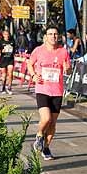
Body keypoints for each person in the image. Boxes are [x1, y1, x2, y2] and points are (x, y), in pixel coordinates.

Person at [27, 25, 71, 160]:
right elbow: (29, 63)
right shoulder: (38, 50)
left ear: (58, 37)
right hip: (42, 88)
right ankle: (39, 134)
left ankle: (46, 148)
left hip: (57, 91)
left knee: (52, 123)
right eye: (50, 34)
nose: (53, 36)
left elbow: (68, 70)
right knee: (46, 118)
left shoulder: (63, 51)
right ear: (46, 37)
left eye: (55, 34)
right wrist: (34, 75)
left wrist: (68, 68)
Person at [0, 29, 16, 94]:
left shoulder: (12, 41)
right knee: (4, 75)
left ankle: (9, 87)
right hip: (3, 60)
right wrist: (2, 51)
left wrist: (15, 53)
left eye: (8, 34)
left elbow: (14, 50)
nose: (7, 36)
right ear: (3, 35)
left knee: (10, 74)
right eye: (5, 34)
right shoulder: (1, 41)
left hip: (10, 59)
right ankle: (3, 87)